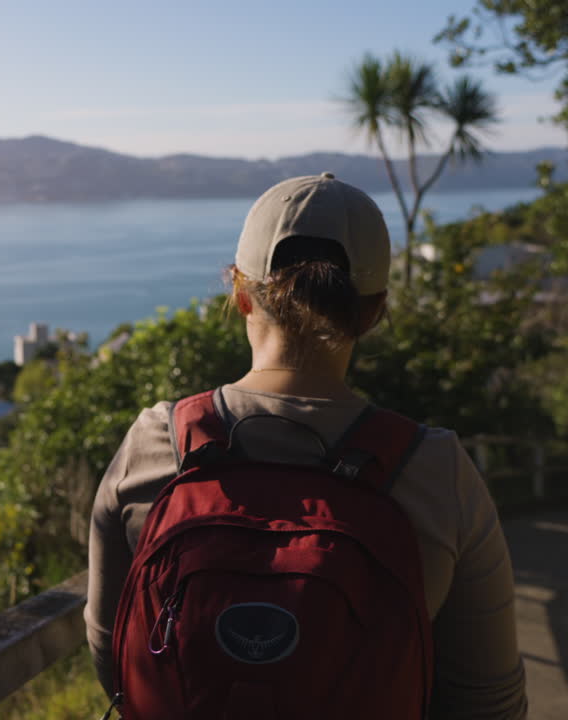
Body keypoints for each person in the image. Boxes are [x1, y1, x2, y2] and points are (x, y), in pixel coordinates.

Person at [85, 173, 527, 718]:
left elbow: (115, 657)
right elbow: (489, 701)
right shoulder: (435, 471)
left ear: (241, 294)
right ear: (373, 312)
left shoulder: (156, 445)